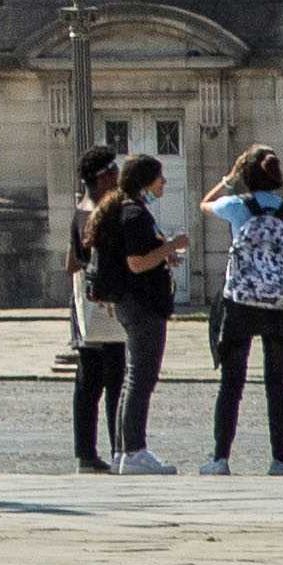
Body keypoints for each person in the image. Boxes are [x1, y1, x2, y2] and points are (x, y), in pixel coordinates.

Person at [201, 141, 283, 475]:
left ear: (247, 175)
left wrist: (229, 178)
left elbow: (204, 204)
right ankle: (280, 458)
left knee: (231, 383)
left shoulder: (236, 207)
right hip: (278, 304)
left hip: (240, 302)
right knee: (277, 383)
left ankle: (220, 458)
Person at [94, 149, 182, 470]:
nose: (164, 182)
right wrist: (172, 246)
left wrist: (164, 255)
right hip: (143, 304)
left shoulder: (131, 211)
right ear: (146, 180)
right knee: (141, 378)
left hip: (136, 303)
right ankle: (133, 449)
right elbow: (136, 262)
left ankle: (122, 449)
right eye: (160, 176)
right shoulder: (135, 214)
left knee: (135, 377)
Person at [62, 142, 130, 475]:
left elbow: (70, 262)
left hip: (85, 306)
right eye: (115, 172)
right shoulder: (106, 213)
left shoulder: (80, 210)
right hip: (106, 305)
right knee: (113, 380)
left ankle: (87, 452)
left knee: (89, 382)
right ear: (104, 178)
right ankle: (117, 448)